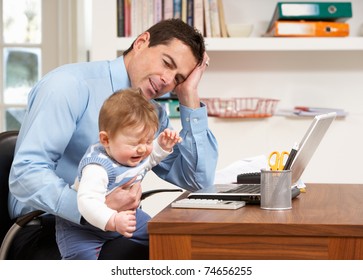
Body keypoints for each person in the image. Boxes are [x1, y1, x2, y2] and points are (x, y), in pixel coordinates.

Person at [8, 18, 218, 259]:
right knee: (168, 254)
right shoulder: (68, 85)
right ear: (141, 42)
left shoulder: (152, 112)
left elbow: (198, 180)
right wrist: (94, 208)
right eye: (167, 63)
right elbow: (25, 174)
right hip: (47, 228)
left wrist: (189, 95)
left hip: (115, 227)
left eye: (178, 79)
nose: (168, 81)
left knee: (188, 246)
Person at [56, 88, 182, 259]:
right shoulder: (97, 167)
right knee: (81, 260)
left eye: (147, 140)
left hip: (126, 216)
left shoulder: (134, 154)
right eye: (135, 142)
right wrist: (113, 220)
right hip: (83, 229)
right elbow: (87, 203)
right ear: (106, 140)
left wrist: (163, 146)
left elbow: (149, 161)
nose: (143, 148)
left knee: (160, 234)